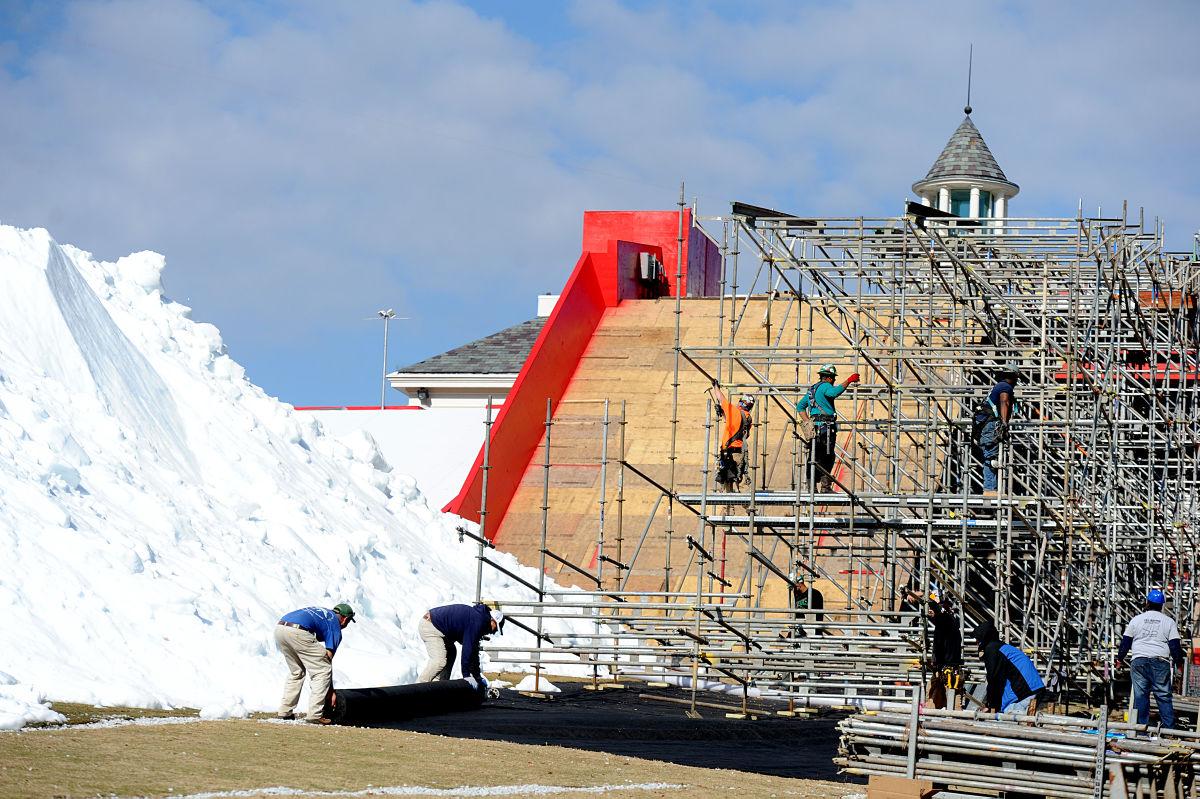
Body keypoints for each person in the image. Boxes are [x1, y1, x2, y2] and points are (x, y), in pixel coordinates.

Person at [275, 603, 356, 723]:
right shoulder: (335, 625)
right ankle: (315, 715)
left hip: (280, 629)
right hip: (298, 632)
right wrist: (331, 691)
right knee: (322, 671)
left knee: (297, 672)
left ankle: (285, 712)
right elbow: (326, 660)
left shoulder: (324, 614)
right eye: (348, 621)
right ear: (344, 619)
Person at [1116, 588, 1185, 729]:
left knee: (1140, 696)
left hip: (1139, 661)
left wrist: (1119, 659)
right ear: (1161, 605)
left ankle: (1140, 729)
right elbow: (1175, 646)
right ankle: (1169, 730)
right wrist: (1179, 664)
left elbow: (1125, 642)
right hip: (1160, 661)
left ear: (1147, 602)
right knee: (1163, 696)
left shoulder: (1136, 620)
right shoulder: (1168, 622)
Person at [796, 364, 860, 493]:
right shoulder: (826, 386)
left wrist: (808, 422)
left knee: (814, 456)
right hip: (826, 428)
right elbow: (834, 393)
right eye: (834, 379)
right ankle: (825, 486)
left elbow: (800, 407)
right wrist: (849, 380)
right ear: (830, 378)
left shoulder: (812, 390)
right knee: (828, 456)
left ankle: (812, 487)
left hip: (816, 427)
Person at [419, 602, 504, 688]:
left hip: (438, 628)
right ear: (492, 620)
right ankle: (417, 688)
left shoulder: (479, 618)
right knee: (439, 661)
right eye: (496, 628)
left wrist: (477, 677)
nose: (493, 632)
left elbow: (473, 652)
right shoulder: (478, 622)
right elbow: (467, 650)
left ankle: (438, 687)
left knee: (451, 653)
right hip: (430, 625)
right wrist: (466, 675)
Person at [974, 619, 1044, 714]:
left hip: (1025, 692)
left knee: (1005, 717)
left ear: (983, 638)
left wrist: (990, 705)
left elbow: (994, 679)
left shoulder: (992, 649)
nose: (976, 642)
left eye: (977, 639)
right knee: (1003, 712)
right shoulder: (1001, 648)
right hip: (1032, 689)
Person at [973, 368, 1020, 496]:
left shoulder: (998, 386)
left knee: (992, 456)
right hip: (991, 424)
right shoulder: (1005, 387)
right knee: (991, 456)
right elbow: (1004, 401)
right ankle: (989, 489)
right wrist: (1005, 422)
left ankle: (992, 488)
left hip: (987, 424)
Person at [709, 383, 754, 492]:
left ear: (742, 402)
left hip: (730, 453)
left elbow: (721, 398)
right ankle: (744, 506)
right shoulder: (748, 418)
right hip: (740, 453)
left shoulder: (734, 411)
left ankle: (730, 507)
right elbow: (742, 432)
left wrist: (716, 387)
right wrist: (724, 414)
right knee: (737, 480)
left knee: (729, 486)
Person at [928, 597, 964, 709]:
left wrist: (923, 597)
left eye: (931, 610)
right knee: (944, 696)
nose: (929, 613)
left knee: (948, 697)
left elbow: (938, 611)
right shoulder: (948, 622)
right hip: (946, 665)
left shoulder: (945, 619)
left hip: (947, 666)